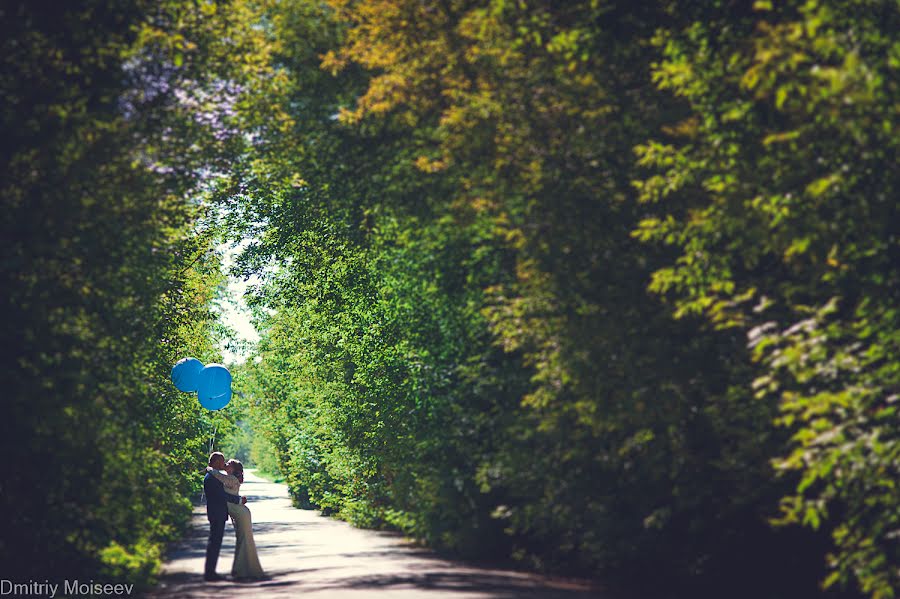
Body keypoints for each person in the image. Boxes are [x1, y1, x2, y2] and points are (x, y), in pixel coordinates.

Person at [206, 458, 265, 580]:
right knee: (241, 540)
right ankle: (240, 569)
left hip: (241, 513)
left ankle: (245, 570)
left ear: (233, 469)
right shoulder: (228, 478)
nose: (225, 464)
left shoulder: (231, 479)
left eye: (228, 464)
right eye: (224, 462)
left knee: (244, 540)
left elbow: (218, 476)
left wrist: (209, 469)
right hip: (238, 512)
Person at [203, 452, 245, 581]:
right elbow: (221, 496)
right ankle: (210, 573)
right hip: (217, 512)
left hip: (217, 512)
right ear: (216, 462)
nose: (224, 463)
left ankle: (210, 571)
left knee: (216, 541)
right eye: (222, 461)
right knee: (215, 542)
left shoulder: (214, 475)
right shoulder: (211, 477)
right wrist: (238, 500)